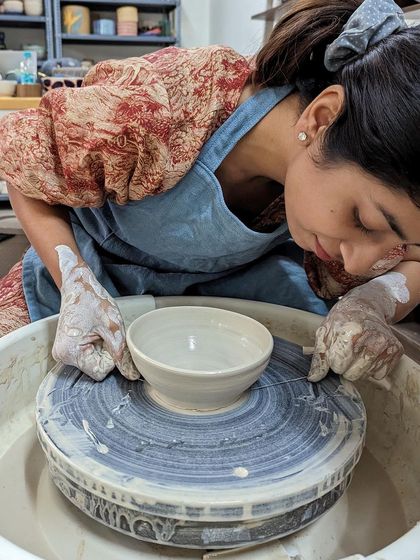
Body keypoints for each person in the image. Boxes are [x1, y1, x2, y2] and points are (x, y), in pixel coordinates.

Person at [0, 0, 419, 383]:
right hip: (93, 269)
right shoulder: (163, 103)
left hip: (225, 287)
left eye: (395, 236)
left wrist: (375, 301)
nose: (363, 259)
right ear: (322, 117)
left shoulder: (358, 192)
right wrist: (75, 282)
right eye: (364, 221)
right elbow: (25, 168)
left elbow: (414, 261)